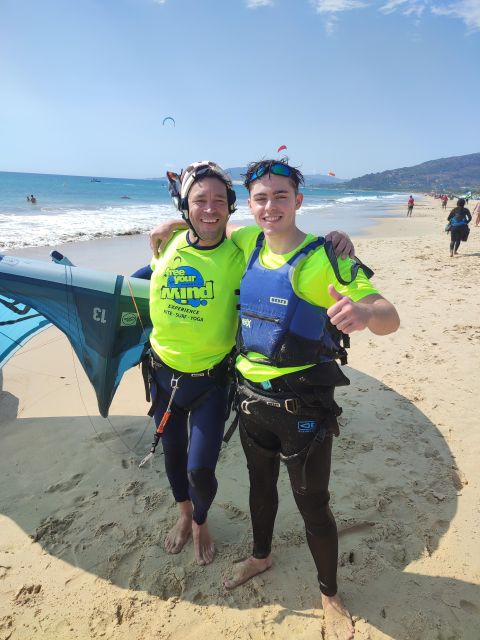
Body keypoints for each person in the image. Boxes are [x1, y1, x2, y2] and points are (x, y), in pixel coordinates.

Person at [218, 159, 400, 640]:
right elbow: (205, 221)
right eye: (261, 197)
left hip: (302, 407)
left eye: (281, 196)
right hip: (250, 398)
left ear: (299, 201)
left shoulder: (325, 259)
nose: (270, 206)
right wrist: (168, 225)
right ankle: (261, 557)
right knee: (260, 487)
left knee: (312, 504)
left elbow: (388, 315)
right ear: (251, 205)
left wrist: (362, 311)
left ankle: (330, 594)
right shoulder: (246, 242)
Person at [145, 160, 354, 567]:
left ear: (231, 207)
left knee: (200, 470)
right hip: (162, 374)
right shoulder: (167, 242)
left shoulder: (244, 247)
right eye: (199, 200)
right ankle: (184, 515)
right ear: (183, 205)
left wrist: (335, 240)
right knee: (172, 456)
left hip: (210, 380)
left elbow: (283, 237)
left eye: (218, 201)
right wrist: (165, 227)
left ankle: (202, 519)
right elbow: (155, 270)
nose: (209, 208)